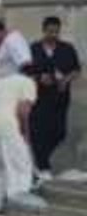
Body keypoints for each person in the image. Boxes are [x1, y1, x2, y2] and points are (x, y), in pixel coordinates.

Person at [0, 65, 39, 213]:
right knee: (20, 169)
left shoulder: (0, 82)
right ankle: (19, 209)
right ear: (34, 77)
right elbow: (23, 110)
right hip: (7, 126)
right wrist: (25, 134)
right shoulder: (28, 82)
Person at [29, 16, 82, 182]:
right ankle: (43, 166)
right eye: (50, 32)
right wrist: (39, 78)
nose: (53, 35)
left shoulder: (67, 48)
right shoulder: (34, 48)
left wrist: (66, 80)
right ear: (43, 30)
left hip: (60, 97)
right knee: (38, 132)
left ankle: (40, 163)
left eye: (56, 32)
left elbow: (76, 69)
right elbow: (25, 70)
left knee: (59, 132)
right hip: (38, 97)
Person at [0, 17, 32, 88]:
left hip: (14, 88)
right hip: (4, 87)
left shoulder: (13, 40)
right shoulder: (1, 43)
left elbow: (26, 65)